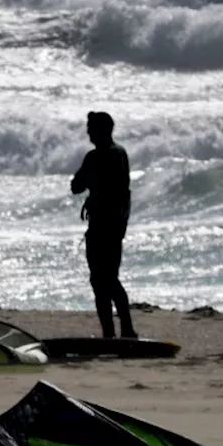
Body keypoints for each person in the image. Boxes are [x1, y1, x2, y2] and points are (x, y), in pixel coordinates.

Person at [71, 111, 137, 340]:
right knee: (97, 280)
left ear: (104, 130)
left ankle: (127, 329)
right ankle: (108, 333)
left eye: (92, 128)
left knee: (108, 279)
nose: (88, 132)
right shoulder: (92, 157)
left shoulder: (116, 154)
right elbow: (75, 186)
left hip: (110, 228)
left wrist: (120, 224)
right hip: (97, 227)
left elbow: (121, 191)